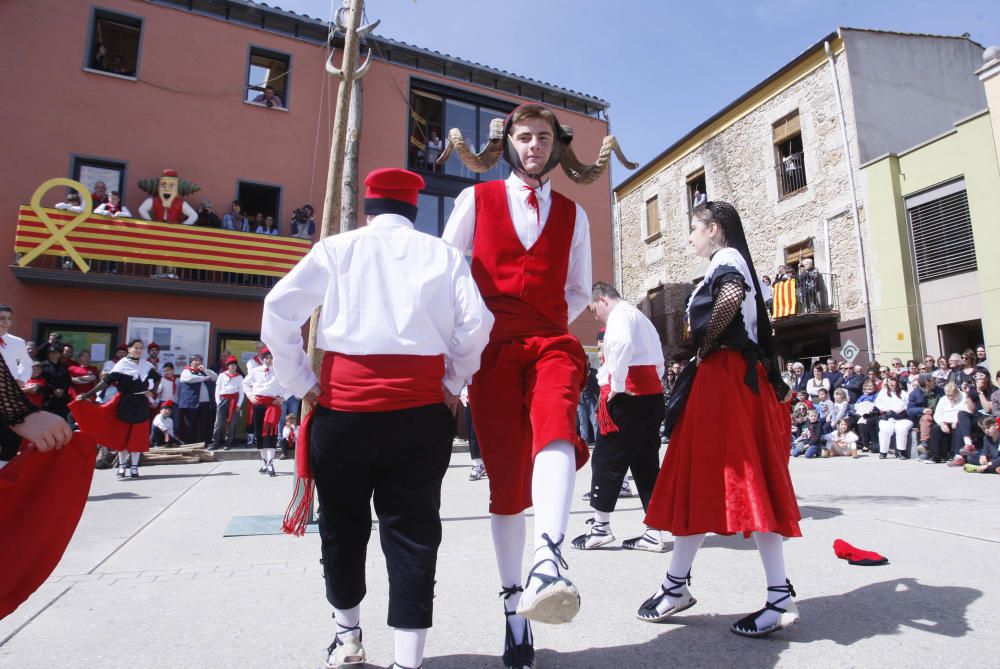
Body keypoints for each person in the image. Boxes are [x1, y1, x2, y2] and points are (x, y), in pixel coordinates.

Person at [261, 167, 491, 669]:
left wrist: (301, 380)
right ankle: (408, 661)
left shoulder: (337, 250)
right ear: (414, 209)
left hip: (343, 411)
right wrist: (453, 382)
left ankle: (348, 641)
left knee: (342, 528)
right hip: (421, 414)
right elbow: (477, 325)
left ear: (368, 208)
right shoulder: (444, 255)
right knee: (413, 531)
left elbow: (277, 309)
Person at [439, 101, 635, 664]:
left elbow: (578, 291)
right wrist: (462, 344)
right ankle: (513, 614)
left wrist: (544, 318)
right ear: (508, 143)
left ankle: (548, 558)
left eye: (543, 138)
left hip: (550, 339)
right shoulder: (473, 200)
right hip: (491, 349)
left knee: (555, 422)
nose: (533, 146)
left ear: (555, 146)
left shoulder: (576, 215)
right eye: (524, 137)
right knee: (504, 484)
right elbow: (448, 274)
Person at [638, 201, 800, 638]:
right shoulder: (736, 262)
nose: (689, 236)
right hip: (730, 382)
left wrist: (704, 345)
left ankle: (772, 596)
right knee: (721, 483)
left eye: (693, 228)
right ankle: (679, 585)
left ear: (713, 229)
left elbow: (730, 297)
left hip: (724, 380)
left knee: (726, 481)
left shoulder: (726, 260)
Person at [571, 282, 665, 553]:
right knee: (645, 464)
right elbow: (658, 362)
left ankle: (600, 528)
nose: (595, 316)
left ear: (602, 300)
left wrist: (618, 385)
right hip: (650, 397)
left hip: (628, 398)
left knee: (605, 459)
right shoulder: (640, 317)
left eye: (593, 310)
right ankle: (653, 531)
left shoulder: (620, 316)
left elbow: (621, 345)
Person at [73, 339, 157, 479]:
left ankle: (134, 468)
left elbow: (157, 378)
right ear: (129, 349)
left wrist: (152, 391)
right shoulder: (122, 364)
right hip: (125, 402)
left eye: (140, 348)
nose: (138, 350)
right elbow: (106, 382)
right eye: (135, 347)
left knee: (137, 436)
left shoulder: (146, 365)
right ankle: (122, 467)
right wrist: (88, 394)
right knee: (123, 436)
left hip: (141, 402)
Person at [242, 349, 286, 476]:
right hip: (259, 403)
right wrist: (250, 396)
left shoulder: (279, 371)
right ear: (262, 359)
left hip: (272, 405)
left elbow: (290, 385)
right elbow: (245, 383)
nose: (268, 360)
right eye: (266, 358)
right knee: (259, 433)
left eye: (271, 357)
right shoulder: (256, 371)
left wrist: (283, 397)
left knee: (270, 433)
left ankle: (271, 463)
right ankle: (265, 462)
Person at [178, 355, 217, 445]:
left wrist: (205, 371)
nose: (197, 362)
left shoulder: (204, 371)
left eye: (199, 360)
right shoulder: (186, 371)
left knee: (205, 424)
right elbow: (189, 379)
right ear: (191, 362)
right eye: (195, 360)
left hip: (205, 403)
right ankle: (190, 443)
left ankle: (205, 442)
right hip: (191, 402)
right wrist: (203, 378)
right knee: (190, 424)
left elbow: (215, 377)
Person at [208, 356, 244, 451]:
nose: (233, 366)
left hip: (234, 400)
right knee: (218, 423)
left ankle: (228, 443)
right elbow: (217, 390)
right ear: (227, 366)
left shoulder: (239, 377)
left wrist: (238, 405)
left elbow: (241, 392)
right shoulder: (221, 375)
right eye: (231, 365)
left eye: (234, 364)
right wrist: (218, 402)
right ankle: (215, 442)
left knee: (232, 423)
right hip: (223, 399)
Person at [874, 376, 913, 460]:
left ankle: (901, 452)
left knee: (901, 429)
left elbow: (908, 404)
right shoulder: (883, 392)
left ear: (897, 382)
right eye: (889, 381)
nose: (891, 383)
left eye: (893, 381)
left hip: (902, 417)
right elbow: (878, 403)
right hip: (888, 417)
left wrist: (903, 409)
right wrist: (886, 409)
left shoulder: (904, 393)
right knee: (885, 429)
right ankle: (883, 452)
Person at [0, 304, 31, 384]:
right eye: (1, 318)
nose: (6, 322)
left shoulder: (18, 342)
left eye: (9, 318)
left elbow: (26, 364)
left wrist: (22, 379)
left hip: (8, 388)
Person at [40, 345, 71, 419]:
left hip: (61, 398)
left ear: (60, 354)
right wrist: (53, 390)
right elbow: (42, 380)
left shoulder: (64, 366)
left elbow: (68, 380)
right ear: (48, 354)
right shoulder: (43, 366)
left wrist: (62, 389)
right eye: (51, 353)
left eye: (56, 353)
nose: (54, 354)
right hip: (48, 397)